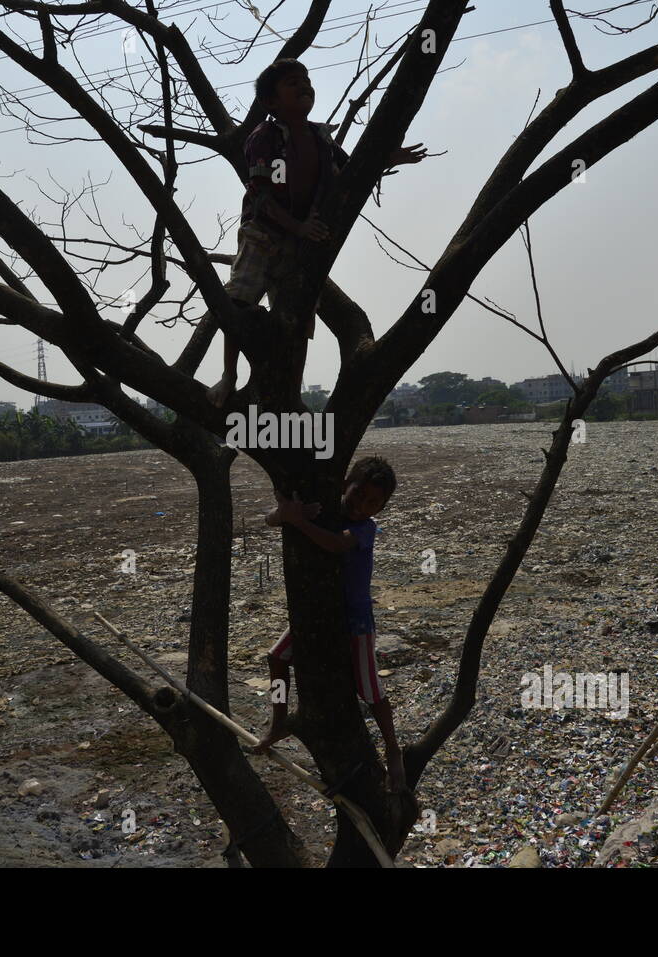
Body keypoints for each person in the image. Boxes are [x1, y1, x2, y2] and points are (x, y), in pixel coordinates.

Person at [206, 59, 427, 407]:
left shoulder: (320, 137)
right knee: (239, 300)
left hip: (299, 241)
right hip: (263, 233)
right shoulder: (265, 138)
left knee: (297, 317)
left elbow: (351, 170)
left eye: (306, 80)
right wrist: (299, 226)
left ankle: (284, 391)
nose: (303, 86)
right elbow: (261, 197)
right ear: (271, 102)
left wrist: (388, 157)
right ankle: (228, 376)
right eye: (292, 83)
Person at [253, 455, 406, 793]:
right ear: (344, 485)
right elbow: (268, 520)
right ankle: (279, 721)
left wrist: (299, 523)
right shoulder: (324, 509)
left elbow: (337, 544)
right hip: (318, 613)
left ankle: (393, 748)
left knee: (369, 689)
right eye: (358, 493)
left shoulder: (365, 528)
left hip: (355, 620)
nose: (362, 505)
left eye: (372, 502)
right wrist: (287, 515)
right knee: (277, 658)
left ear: (380, 509)